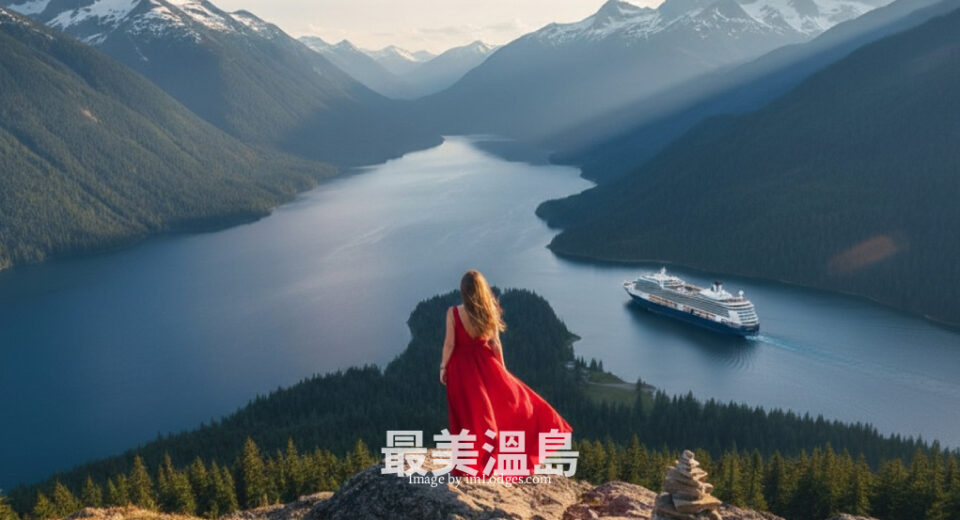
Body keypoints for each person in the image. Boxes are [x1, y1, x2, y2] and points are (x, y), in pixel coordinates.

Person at [440, 269, 572, 478]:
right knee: (503, 411)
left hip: (461, 370)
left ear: (463, 291)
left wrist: (443, 367)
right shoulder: (488, 311)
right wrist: (502, 371)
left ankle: (469, 466)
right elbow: (495, 343)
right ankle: (493, 462)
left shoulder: (454, 313)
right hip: (486, 364)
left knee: (467, 416)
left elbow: (449, 344)